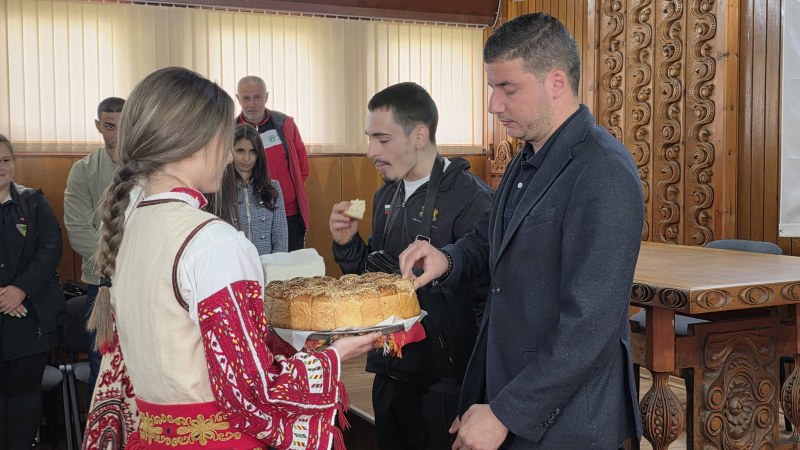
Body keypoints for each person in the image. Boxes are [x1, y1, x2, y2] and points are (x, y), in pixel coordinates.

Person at [82, 67, 379, 449]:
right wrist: (335, 354)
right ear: (199, 141)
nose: (228, 155)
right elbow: (252, 393)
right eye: (226, 139)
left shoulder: (131, 228)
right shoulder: (211, 242)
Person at [399, 13, 644, 450]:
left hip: (567, 418)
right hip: (512, 388)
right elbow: (496, 240)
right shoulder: (526, 156)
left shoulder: (604, 170)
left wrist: (507, 412)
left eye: (506, 88)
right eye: (492, 87)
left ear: (555, 82)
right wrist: (447, 258)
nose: (493, 104)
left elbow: (589, 324)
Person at [329, 82, 493, 450]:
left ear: (419, 135)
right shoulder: (385, 194)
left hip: (446, 383)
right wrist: (346, 245)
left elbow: (490, 304)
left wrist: (480, 394)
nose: (371, 151)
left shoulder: (474, 200)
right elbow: (373, 284)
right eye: (369, 138)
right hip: (389, 368)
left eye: (382, 139)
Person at [0, 134, 65, 449]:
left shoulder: (34, 201)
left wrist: (20, 290)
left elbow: (50, 249)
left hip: (28, 317)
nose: (1, 167)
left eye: (5, 160)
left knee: (24, 396)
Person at [64, 96, 124, 396]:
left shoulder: (150, 169)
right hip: (101, 282)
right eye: (110, 126)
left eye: (122, 125)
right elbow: (78, 230)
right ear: (99, 126)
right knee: (103, 363)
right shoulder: (83, 170)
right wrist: (115, 263)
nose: (116, 133)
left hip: (145, 281)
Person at [236, 76, 309, 251]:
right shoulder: (230, 131)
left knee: (291, 272)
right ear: (238, 98)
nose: (252, 103)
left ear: (266, 97)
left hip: (290, 213)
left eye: (257, 97)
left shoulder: (285, 124)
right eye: (246, 98)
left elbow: (303, 167)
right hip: (251, 215)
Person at [217, 124, 288, 255]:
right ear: (229, 151)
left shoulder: (273, 187)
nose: (247, 159)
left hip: (267, 266)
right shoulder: (217, 189)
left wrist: (276, 268)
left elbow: (281, 240)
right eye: (240, 151)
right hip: (233, 266)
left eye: (253, 151)